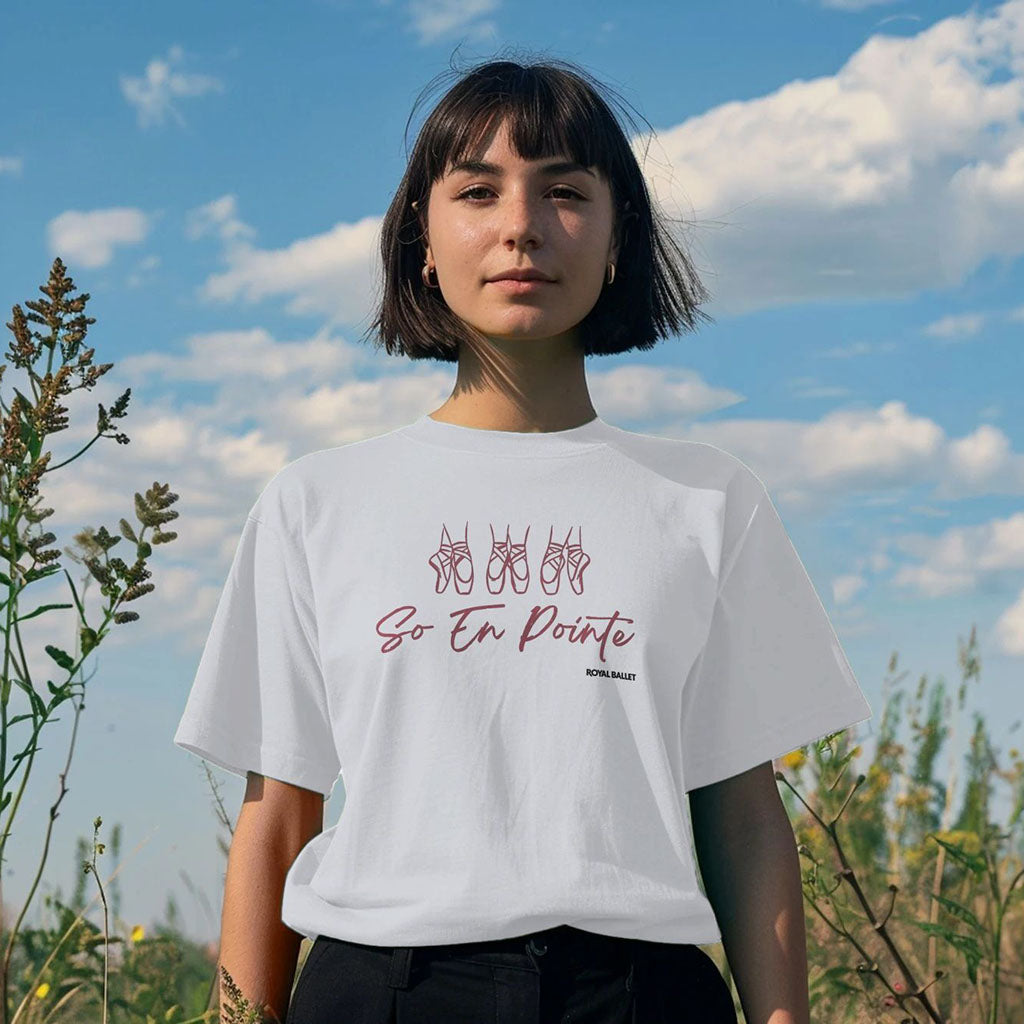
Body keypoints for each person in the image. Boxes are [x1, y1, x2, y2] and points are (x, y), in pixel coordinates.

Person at [174, 55, 873, 1024]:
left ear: (620, 234)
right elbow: (278, 811)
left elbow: (743, 810)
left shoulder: (706, 499)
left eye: (564, 191)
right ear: (421, 235)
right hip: (381, 988)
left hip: (640, 993)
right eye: (476, 190)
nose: (521, 227)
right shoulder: (316, 500)